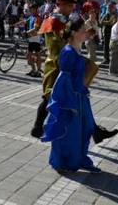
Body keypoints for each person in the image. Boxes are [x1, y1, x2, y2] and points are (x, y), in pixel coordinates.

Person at [31, 0, 118, 144]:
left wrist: (85, 34)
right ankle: (38, 127)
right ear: (61, 5)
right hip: (57, 66)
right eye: (70, 6)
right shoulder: (52, 21)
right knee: (49, 98)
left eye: (73, 6)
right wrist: (72, 58)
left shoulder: (64, 21)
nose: (72, 9)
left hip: (67, 62)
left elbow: (71, 39)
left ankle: (95, 131)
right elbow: (56, 47)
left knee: (77, 96)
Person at [40, 18, 101, 173]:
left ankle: (81, 158)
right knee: (69, 130)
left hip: (80, 96)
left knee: (85, 128)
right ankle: (65, 161)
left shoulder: (77, 49)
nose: (85, 33)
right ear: (74, 32)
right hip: (70, 98)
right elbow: (63, 79)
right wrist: (68, 100)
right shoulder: (67, 52)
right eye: (83, 30)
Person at [12, 4, 43, 76]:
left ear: (35, 9)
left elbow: (35, 29)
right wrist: (14, 25)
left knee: (32, 55)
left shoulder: (37, 18)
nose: (29, 10)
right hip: (31, 38)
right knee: (32, 55)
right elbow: (24, 21)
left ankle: (36, 71)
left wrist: (26, 32)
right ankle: (34, 70)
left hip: (36, 38)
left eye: (31, 9)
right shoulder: (32, 17)